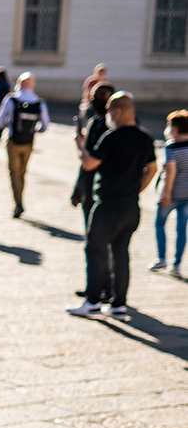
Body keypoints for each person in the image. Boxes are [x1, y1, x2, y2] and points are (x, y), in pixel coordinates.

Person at [69, 92, 157, 317]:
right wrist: (137, 188)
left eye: (109, 110)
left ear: (116, 112)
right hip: (131, 206)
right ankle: (118, 304)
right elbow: (152, 169)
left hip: (107, 205)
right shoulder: (145, 137)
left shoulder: (111, 137)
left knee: (94, 249)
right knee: (121, 253)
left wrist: (80, 145)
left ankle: (93, 301)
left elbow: (89, 164)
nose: (108, 115)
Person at [0, 72, 51, 218]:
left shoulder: (12, 99)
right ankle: (20, 198)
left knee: (14, 172)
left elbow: (0, 120)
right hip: (29, 142)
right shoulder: (39, 102)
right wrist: (35, 131)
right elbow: (45, 125)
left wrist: (6, 126)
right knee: (22, 172)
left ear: (19, 83)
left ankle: (18, 202)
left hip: (13, 140)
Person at [71, 83, 116, 230]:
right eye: (94, 96)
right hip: (90, 189)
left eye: (102, 96)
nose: (97, 100)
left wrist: (79, 145)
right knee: (91, 235)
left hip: (107, 191)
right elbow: (86, 162)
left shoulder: (116, 127)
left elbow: (89, 159)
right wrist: (78, 189)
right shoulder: (93, 123)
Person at [151, 110, 188, 276]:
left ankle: (162, 258)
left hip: (171, 193)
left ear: (175, 128)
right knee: (182, 229)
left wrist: (166, 195)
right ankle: (177, 265)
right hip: (187, 194)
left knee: (160, 223)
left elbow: (170, 171)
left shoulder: (171, 147)